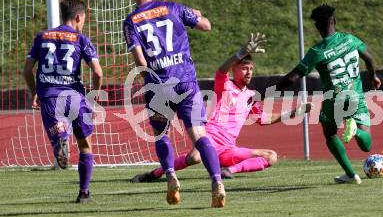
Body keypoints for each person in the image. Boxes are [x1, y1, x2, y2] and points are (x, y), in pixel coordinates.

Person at [130, 33, 312, 183]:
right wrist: (241, 53)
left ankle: (228, 171)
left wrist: (295, 112)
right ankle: (155, 174)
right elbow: (221, 70)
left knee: (271, 156)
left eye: (251, 69)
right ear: (235, 70)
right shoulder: (225, 85)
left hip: (228, 149)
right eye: (244, 68)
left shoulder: (251, 97)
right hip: (209, 139)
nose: (248, 72)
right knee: (194, 158)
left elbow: (264, 119)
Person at [124, 0, 234, 207]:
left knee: (161, 134)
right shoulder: (173, 7)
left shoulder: (131, 21)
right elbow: (206, 25)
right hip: (185, 82)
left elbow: (139, 59)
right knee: (199, 136)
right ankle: (216, 182)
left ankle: (171, 176)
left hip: (159, 85)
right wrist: (195, 14)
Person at [275, 4, 381, 184]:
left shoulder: (317, 52)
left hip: (334, 101)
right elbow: (369, 58)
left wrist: (270, 90)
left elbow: (293, 77)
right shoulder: (350, 39)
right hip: (356, 98)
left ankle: (350, 174)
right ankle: (354, 130)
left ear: (317, 27)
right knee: (366, 145)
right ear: (334, 21)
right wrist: (373, 77)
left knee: (330, 133)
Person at [23, 0, 103, 202]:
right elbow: (98, 72)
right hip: (75, 97)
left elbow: (27, 71)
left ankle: (61, 135)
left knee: (59, 131)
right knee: (85, 146)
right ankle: (84, 192)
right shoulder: (81, 39)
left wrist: (35, 93)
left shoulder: (42, 37)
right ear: (78, 17)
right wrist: (94, 96)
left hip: (49, 97)